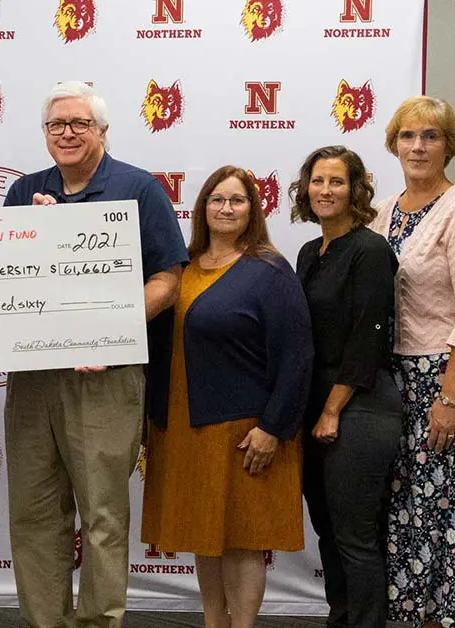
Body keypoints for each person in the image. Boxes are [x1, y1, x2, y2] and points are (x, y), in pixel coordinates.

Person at [1, 81, 187, 628]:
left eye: (80, 123)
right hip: (34, 377)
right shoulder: (24, 192)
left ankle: (100, 623)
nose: (67, 133)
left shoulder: (139, 188)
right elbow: (0, 279)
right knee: (34, 513)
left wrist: (111, 329)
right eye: (56, 124)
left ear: (102, 130)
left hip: (106, 377)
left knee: (102, 513)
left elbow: (168, 281)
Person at [140, 166, 313, 628]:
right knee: (204, 538)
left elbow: (297, 357)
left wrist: (273, 428)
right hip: (183, 429)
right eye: (217, 199)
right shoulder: (180, 269)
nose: (226, 208)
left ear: (253, 210)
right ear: (202, 208)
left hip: (243, 433)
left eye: (237, 200)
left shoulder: (270, 271)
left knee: (241, 542)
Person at [373, 97, 455, 628]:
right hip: (395, 377)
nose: (418, 146)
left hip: (446, 378)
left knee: (453, 509)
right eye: (408, 136)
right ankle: (414, 615)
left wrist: (451, 396)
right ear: (393, 144)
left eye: (431, 136)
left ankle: (453, 618)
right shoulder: (384, 211)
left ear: (449, 146)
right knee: (408, 505)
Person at [290, 146, 401, 628]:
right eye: (317, 181)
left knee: (356, 537)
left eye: (336, 181)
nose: (325, 190)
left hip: (359, 406)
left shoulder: (370, 250)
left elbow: (368, 337)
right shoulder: (308, 252)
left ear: (356, 190)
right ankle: (341, 618)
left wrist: (333, 410)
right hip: (315, 405)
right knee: (328, 531)